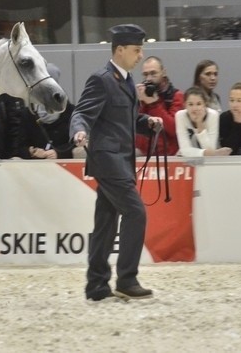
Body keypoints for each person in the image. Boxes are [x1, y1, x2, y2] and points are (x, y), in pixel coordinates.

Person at [70, 23, 163, 302]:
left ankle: (97, 286)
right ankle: (127, 279)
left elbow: (128, 121)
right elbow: (82, 112)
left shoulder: (127, 82)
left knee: (106, 223)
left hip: (121, 160)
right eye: (136, 50)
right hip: (108, 159)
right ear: (120, 50)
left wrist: (148, 122)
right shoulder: (102, 79)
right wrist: (78, 130)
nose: (140, 55)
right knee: (136, 213)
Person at [16, 64, 78, 160]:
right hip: (35, 168)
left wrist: (58, 153)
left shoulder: (70, 112)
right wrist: (32, 152)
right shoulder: (29, 113)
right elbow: (18, 146)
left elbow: (76, 143)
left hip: (63, 167)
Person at [135, 56, 183, 157]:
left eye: (153, 73)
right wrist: (141, 102)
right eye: (145, 74)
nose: (149, 79)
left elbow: (174, 129)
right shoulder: (142, 97)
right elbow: (135, 126)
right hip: (143, 158)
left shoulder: (176, 96)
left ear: (163, 72)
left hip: (168, 158)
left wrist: (154, 104)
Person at [175, 86, 231, 157]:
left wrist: (200, 123)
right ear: (185, 105)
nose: (194, 108)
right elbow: (184, 149)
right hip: (189, 161)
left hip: (211, 162)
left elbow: (210, 149)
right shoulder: (180, 116)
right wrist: (205, 153)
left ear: (205, 104)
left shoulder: (213, 115)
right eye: (190, 104)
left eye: (199, 104)